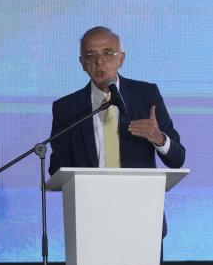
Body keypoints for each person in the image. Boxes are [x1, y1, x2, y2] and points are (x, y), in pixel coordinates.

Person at [49, 26, 185, 175]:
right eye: (90, 55)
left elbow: (177, 159)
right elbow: (57, 168)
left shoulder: (146, 95)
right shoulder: (66, 108)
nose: (99, 62)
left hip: (139, 194)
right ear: (82, 63)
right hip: (89, 196)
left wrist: (158, 138)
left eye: (107, 53)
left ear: (121, 58)